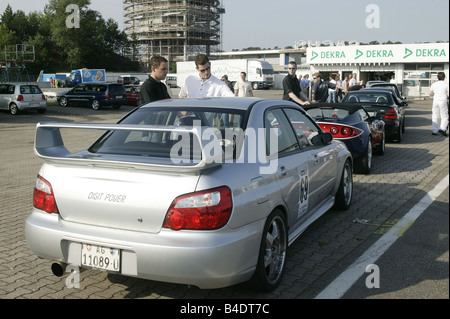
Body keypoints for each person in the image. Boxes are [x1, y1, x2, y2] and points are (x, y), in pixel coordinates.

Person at [429, 72, 449, 136]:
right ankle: (442, 128)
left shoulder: (434, 84)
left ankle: (434, 131)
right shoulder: (446, 84)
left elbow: (430, 93)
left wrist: (436, 94)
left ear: (437, 77)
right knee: (444, 116)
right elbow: (448, 94)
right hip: (443, 101)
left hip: (435, 101)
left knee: (435, 115)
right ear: (444, 77)